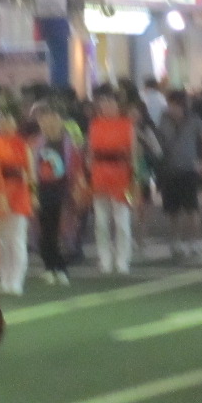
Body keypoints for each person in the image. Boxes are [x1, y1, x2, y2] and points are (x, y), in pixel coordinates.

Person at [156, 89, 202, 260]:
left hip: (189, 170)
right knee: (172, 210)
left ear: (181, 105)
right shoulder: (164, 119)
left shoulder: (194, 119)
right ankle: (176, 242)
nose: (170, 108)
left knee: (192, 209)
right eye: (169, 105)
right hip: (169, 169)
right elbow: (158, 141)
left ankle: (194, 243)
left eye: (173, 105)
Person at [0, 104, 36, 294]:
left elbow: (30, 174)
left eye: (8, 120)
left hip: (17, 195)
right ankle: (4, 278)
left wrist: (32, 194)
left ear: (15, 122)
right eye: (1, 119)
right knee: (0, 240)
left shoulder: (22, 144)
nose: (4, 123)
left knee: (16, 240)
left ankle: (16, 280)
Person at [33, 104, 84, 285]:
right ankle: (49, 266)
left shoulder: (70, 144)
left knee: (60, 230)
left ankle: (60, 267)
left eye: (53, 119)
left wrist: (76, 189)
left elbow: (77, 169)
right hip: (42, 190)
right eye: (45, 120)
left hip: (62, 190)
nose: (49, 123)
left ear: (60, 121)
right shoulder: (36, 144)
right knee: (44, 230)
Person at [87, 87, 136, 274]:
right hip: (100, 175)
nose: (106, 106)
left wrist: (134, 177)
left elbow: (133, 152)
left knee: (122, 221)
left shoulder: (127, 124)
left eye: (110, 102)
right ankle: (105, 259)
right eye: (103, 102)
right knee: (101, 222)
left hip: (121, 176)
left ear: (117, 105)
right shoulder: (95, 125)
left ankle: (122, 260)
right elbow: (90, 152)